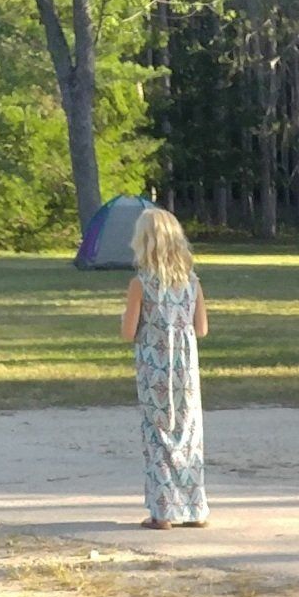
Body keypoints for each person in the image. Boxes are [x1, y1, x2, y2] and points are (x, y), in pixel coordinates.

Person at [121, 206, 209, 527]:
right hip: (185, 367)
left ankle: (163, 510)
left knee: (158, 432)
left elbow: (128, 331)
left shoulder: (140, 285)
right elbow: (201, 328)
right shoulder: (192, 283)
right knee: (188, 431)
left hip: (153, 367)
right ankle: (194, 508)